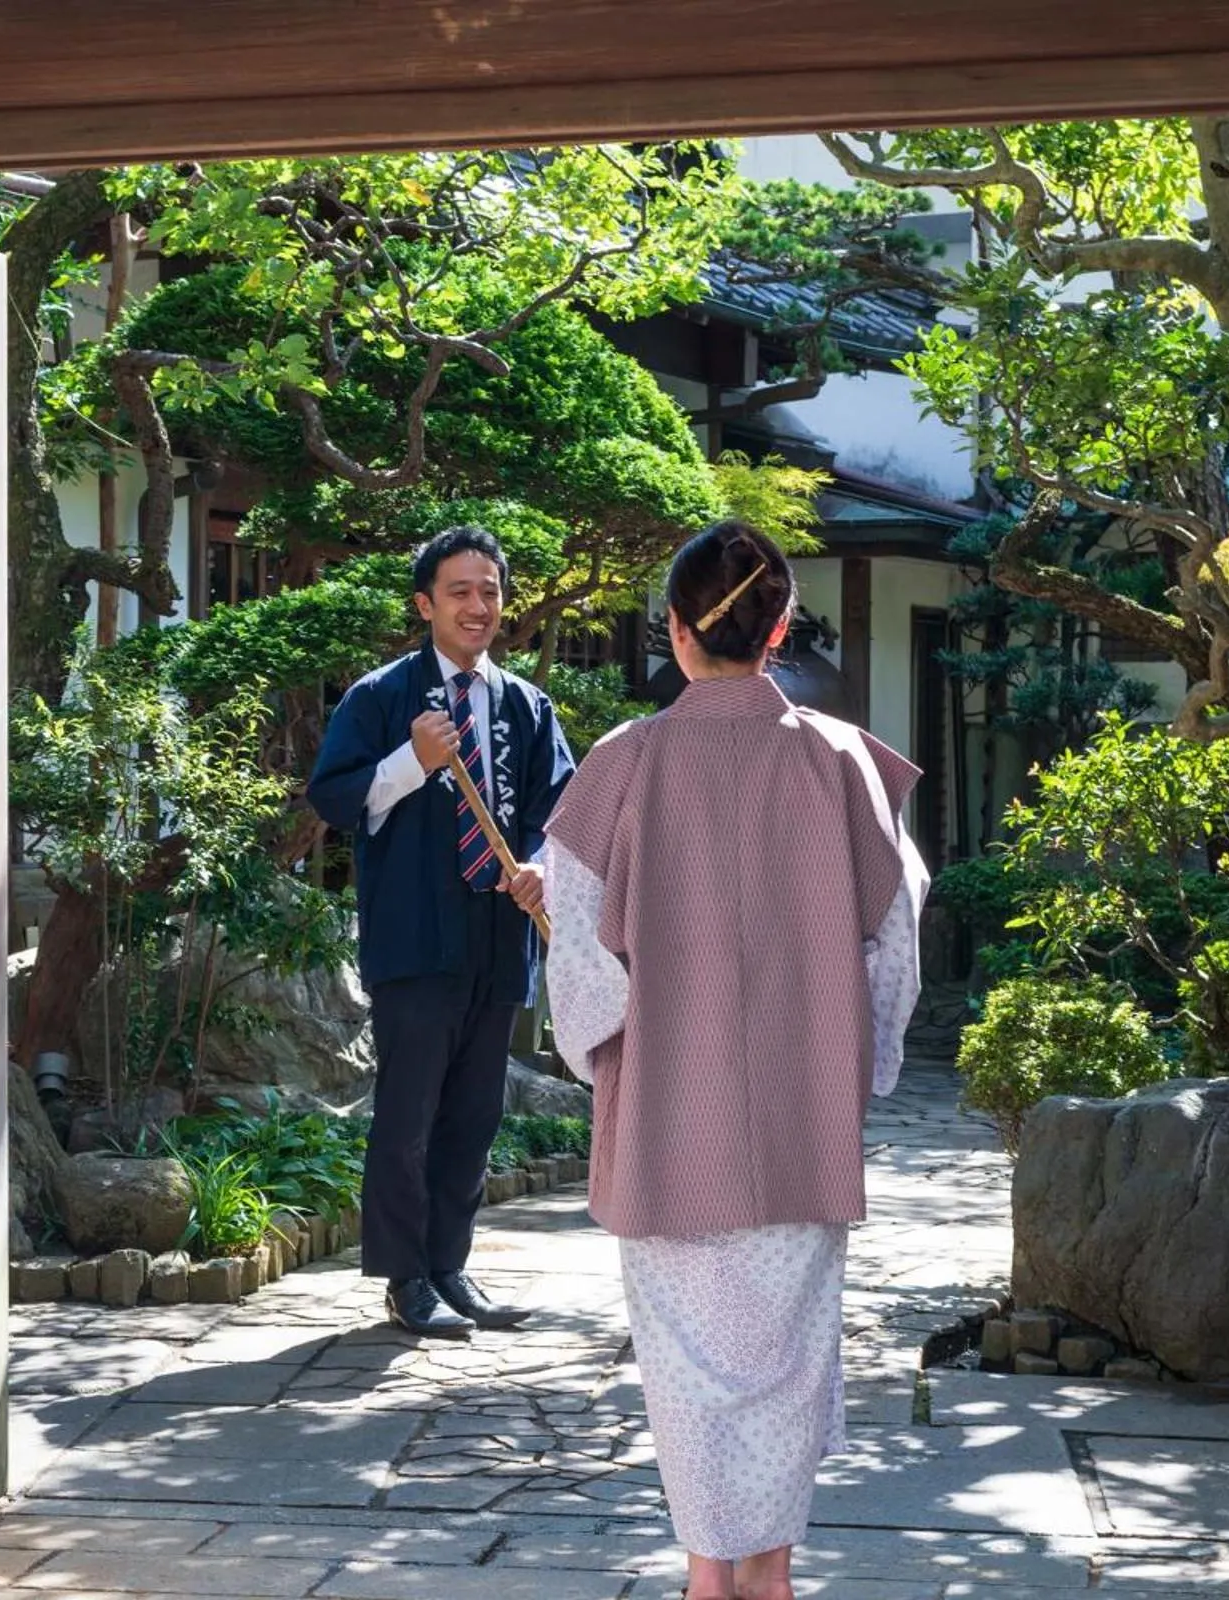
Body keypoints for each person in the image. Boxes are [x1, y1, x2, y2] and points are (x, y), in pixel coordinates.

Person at [542, 521, 929, 1600]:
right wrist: (865, 1062)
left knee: (689, 1369)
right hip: (802, 1110)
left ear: (673, 630)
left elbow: (582, 969)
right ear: (781, 630)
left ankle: (710, 1572)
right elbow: (894, 938)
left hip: (668, 1115)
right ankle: (770, 1572)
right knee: (791, 1354)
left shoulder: (619, 767)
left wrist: (598, 1055)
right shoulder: (844, 761)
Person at [308, 525, 577, 1339]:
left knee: (475, 1111)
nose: (478, 605)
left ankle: (451, 1265)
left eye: (490, 590)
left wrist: (539, 867)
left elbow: (560, 812)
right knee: (409, 1110)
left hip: (498, 931)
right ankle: (404, 1276)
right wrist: (411, 761)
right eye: (460, 591)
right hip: (415, 932)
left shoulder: (526, 705)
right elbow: (333, 796)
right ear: (425, 603)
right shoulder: (383, 698)